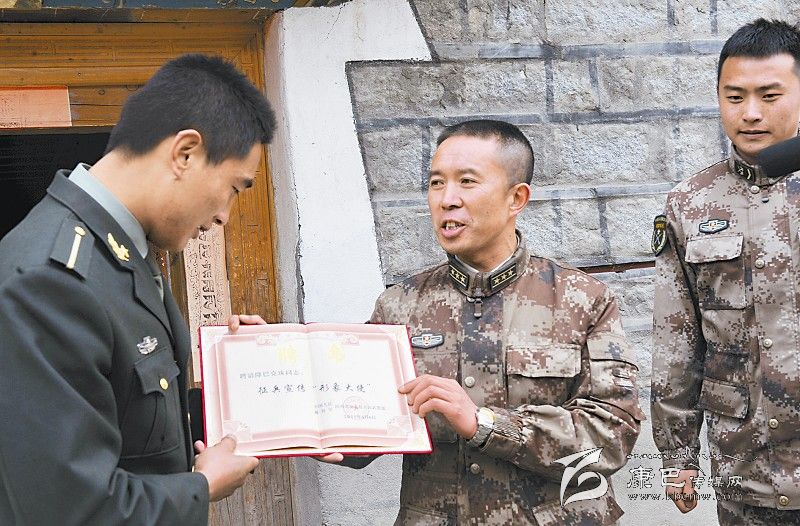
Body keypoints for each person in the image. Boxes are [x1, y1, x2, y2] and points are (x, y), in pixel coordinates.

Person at [0, 54, 275, 525]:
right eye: (234, 187)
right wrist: (200, 487)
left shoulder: (123, 253)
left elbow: (136, 423)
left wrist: (239, 376)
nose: (224, 216)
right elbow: (67, 509)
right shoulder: (49, 280)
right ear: (185, 153)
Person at [324, 120, 644, 525]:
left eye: (467, 182)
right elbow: (360, 426)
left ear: (516, 198)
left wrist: (484, 423)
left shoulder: (582, 299)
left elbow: (611, 437)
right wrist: (287, 386)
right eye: (436, 183)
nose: (447, 200)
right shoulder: (399, 306)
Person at [651, 19, 800, 525]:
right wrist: (677, 457)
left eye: (769, 96)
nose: (750, 113)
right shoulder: (690, 204)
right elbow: (677, 341)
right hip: (747, 469)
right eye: (734, 97)